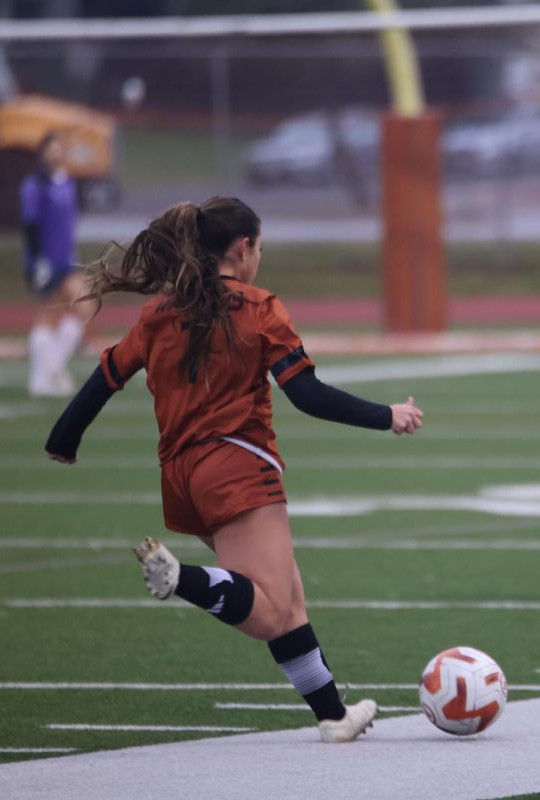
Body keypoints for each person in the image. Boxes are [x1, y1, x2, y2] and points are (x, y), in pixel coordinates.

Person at [44, 196, 422, 742]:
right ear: (242, 248)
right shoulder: (258, 306)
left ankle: (333, 717)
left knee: (288, 602)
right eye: (260, 247)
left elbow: (106, 376)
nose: (259, 257)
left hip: (181, 477)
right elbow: (307, 395)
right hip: (237, 469)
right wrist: (387, 415)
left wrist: (63, 439)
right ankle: (183, 580)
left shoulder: (158, 313)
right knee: (269, 611)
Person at [21, 130, 88, 397]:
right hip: (45, 261)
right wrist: (37, 261)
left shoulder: (69, 183)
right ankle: (42, 378)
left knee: (85, 306)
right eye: (51, 148)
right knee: (47, 315)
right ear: (42, 153)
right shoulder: (34, 185)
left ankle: (53, 370)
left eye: (60, 149)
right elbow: (30, 225)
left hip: (66, 259)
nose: (56, 153)